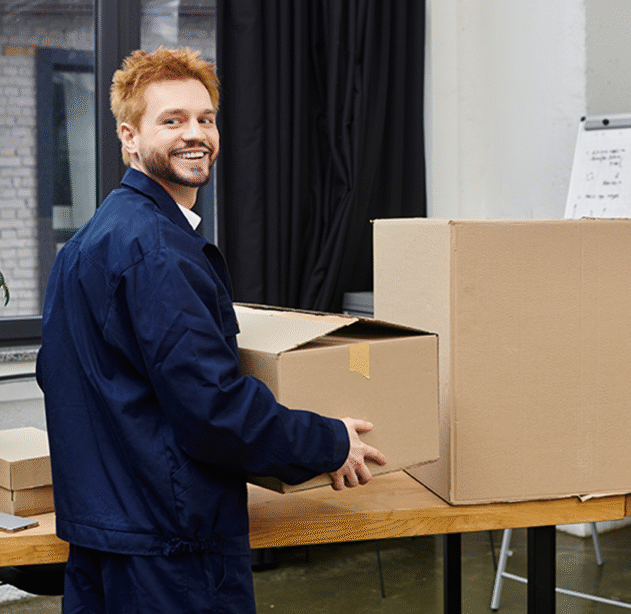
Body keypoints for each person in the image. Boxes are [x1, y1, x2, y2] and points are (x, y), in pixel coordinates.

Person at [36, 47, 387, 614]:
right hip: (170, 551)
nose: (194, 134)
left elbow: (60, 378)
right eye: (171, 120)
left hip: (105, 538)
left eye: (205, 118)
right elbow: (213, 412)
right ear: (128, 136)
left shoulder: (94, 238)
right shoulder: (156, 250)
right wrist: (328, 441)